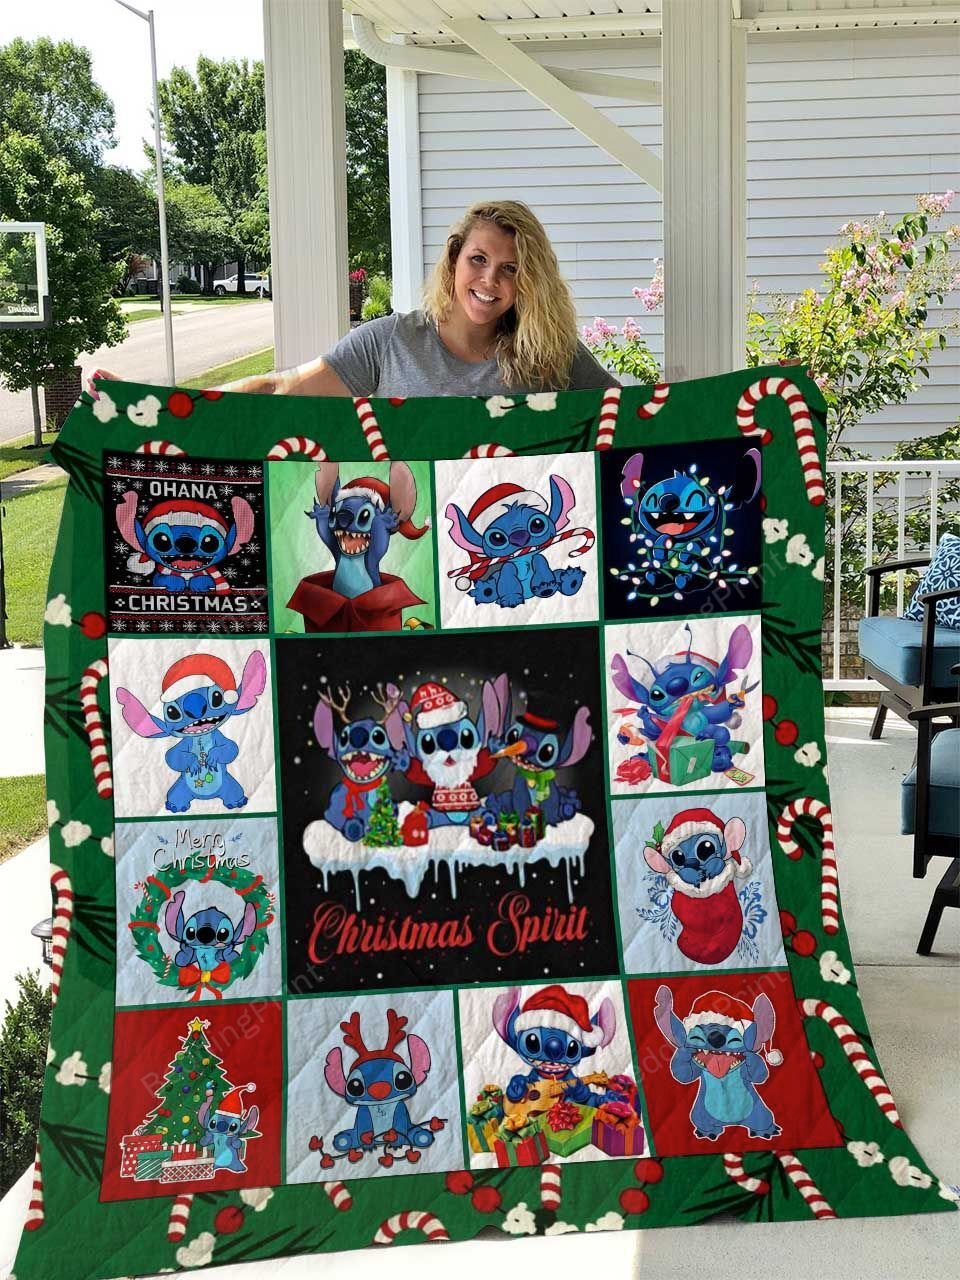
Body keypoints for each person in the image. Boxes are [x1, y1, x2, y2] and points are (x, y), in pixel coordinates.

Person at [88, 200, 619, 399]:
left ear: (529, 281)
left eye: (510, 269)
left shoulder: (550, 353)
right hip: (406, 555)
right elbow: (280, 388)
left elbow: (634, 423)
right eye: (478, 259)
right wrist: (155, 402)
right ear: (454, 258)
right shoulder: (390, 343)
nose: (489, 279)